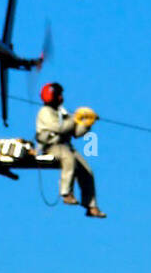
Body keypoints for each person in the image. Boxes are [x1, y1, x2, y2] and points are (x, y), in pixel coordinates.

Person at [34, 82, 104, 218]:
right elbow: (60, 128)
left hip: (66, 146)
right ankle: (66, 193)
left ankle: (91, 206)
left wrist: (87, 123)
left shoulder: (62, 112)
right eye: (58, 95)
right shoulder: (45, 112)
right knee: (69, 159)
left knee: (86, 171)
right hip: (51, 146)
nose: (61, 98)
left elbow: (75, 133)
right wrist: (75, 118)